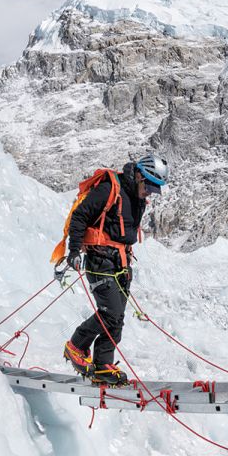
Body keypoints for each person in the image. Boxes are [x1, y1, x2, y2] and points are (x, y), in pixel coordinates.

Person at [59, 154, 170, 385]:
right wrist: (74, 250)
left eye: (155, 189)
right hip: (100, 260)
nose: (150, 192)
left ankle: (102, 365)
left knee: (117, 316)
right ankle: (76, 345)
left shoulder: (137, 197)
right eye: (149, 185)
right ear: (139, 175)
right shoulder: (110, 189)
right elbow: (81, 216)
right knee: (110, 312)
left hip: (120, 262)